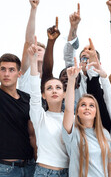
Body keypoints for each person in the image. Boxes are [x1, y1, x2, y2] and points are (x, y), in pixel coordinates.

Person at [0, 26, 36, 176]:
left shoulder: (26, 98)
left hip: (29, 167)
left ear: (19, 74)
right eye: (3, 69)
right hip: (4, 169)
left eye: (11, 70)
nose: (7, 73)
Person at [62, 58, 111, 177]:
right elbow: (68, 109)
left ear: (96, 112)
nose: (87, 108)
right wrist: (71, 80)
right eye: (83, 105)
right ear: (78, 112)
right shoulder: (72, 132)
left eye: (91, 106)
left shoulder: (104, 134)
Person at [28, 37, 69, 177]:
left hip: (68, 172)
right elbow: (33, 91)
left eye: (58, 87)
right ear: (44, 95)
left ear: (64, 94)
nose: (54, 90)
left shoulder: (71, 118)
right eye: (49, 88)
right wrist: (33, 61)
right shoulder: (40, 117)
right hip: (44, 172)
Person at [19, 0, 46, 94]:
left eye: (39, 50)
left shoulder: (50, 77)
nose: (36, 51)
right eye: (35, 49)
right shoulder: (26, 72)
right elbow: (29, 41)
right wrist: (33, 9)